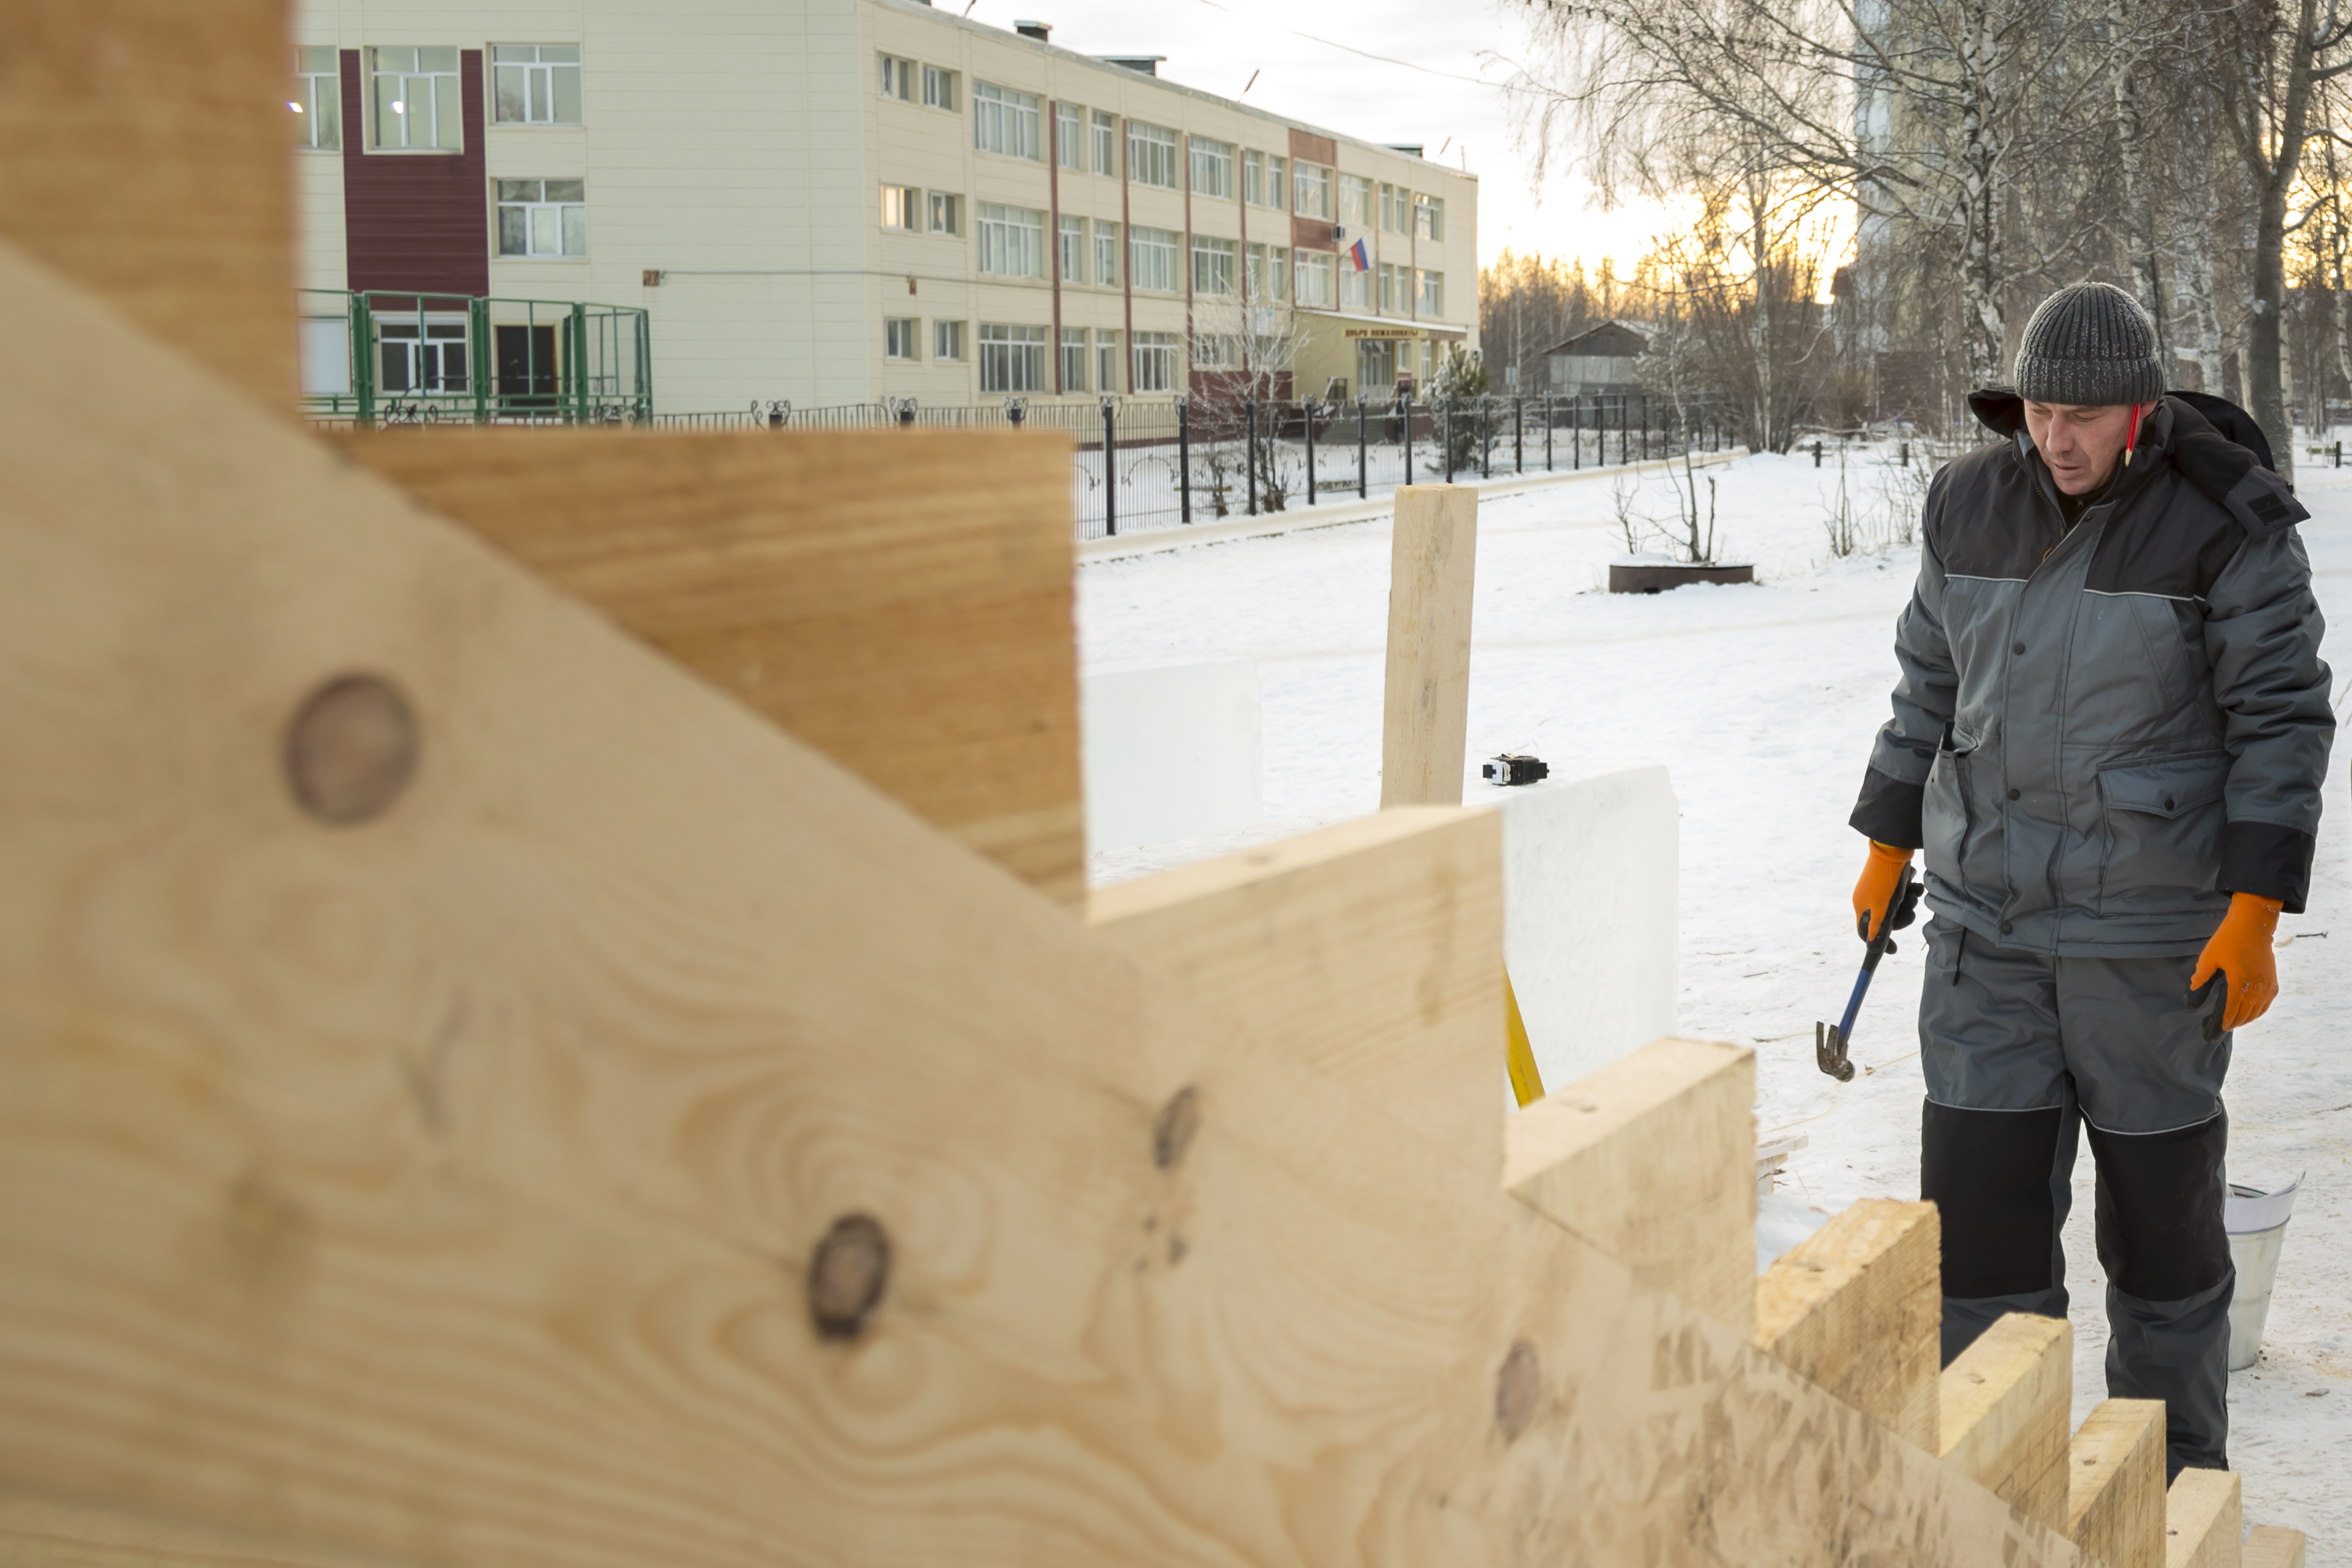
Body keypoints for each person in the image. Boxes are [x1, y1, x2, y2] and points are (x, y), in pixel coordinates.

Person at [1846, 282, 2332, 1478]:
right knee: (1981, 1252)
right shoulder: (1968, 503)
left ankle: (2168, 1510)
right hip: (1985, 938)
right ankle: (1990, 1500)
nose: (2056, 440)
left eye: (2085, 416)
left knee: (2164, 1254)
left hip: (2151, 948)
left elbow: (2281, 719)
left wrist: (2257, 908)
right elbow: (1928, 689)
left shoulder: (2223, 519)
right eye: (2039, 411)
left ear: (2143, 411)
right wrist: (1886, 837)